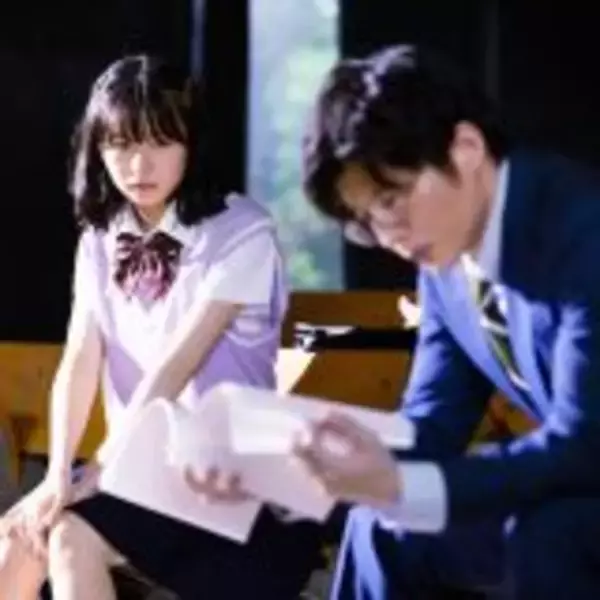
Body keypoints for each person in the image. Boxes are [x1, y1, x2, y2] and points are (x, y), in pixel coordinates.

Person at [0, 54, 321, 600]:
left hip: (229, 479)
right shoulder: (99, 239)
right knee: (18, 537)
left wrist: (94, 474)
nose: (138, 165)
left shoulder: (243, 232)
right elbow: (79, 358)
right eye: (120, 144)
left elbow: (174, 369)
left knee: (71, 534)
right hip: (136, 473)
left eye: (160, 142)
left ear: (192, 144)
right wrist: (57, 475)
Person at [296, 43, 600, 599]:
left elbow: (584, 445)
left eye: (392, 199)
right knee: (378, 527)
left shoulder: (583, 226)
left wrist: (403, 485)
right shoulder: (443, 262)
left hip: (580, 487)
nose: (388, 236)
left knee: (547, 535)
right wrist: (304, 470)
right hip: (575, 491)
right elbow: (433, 423)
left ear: (466, 149)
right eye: (366, 220)